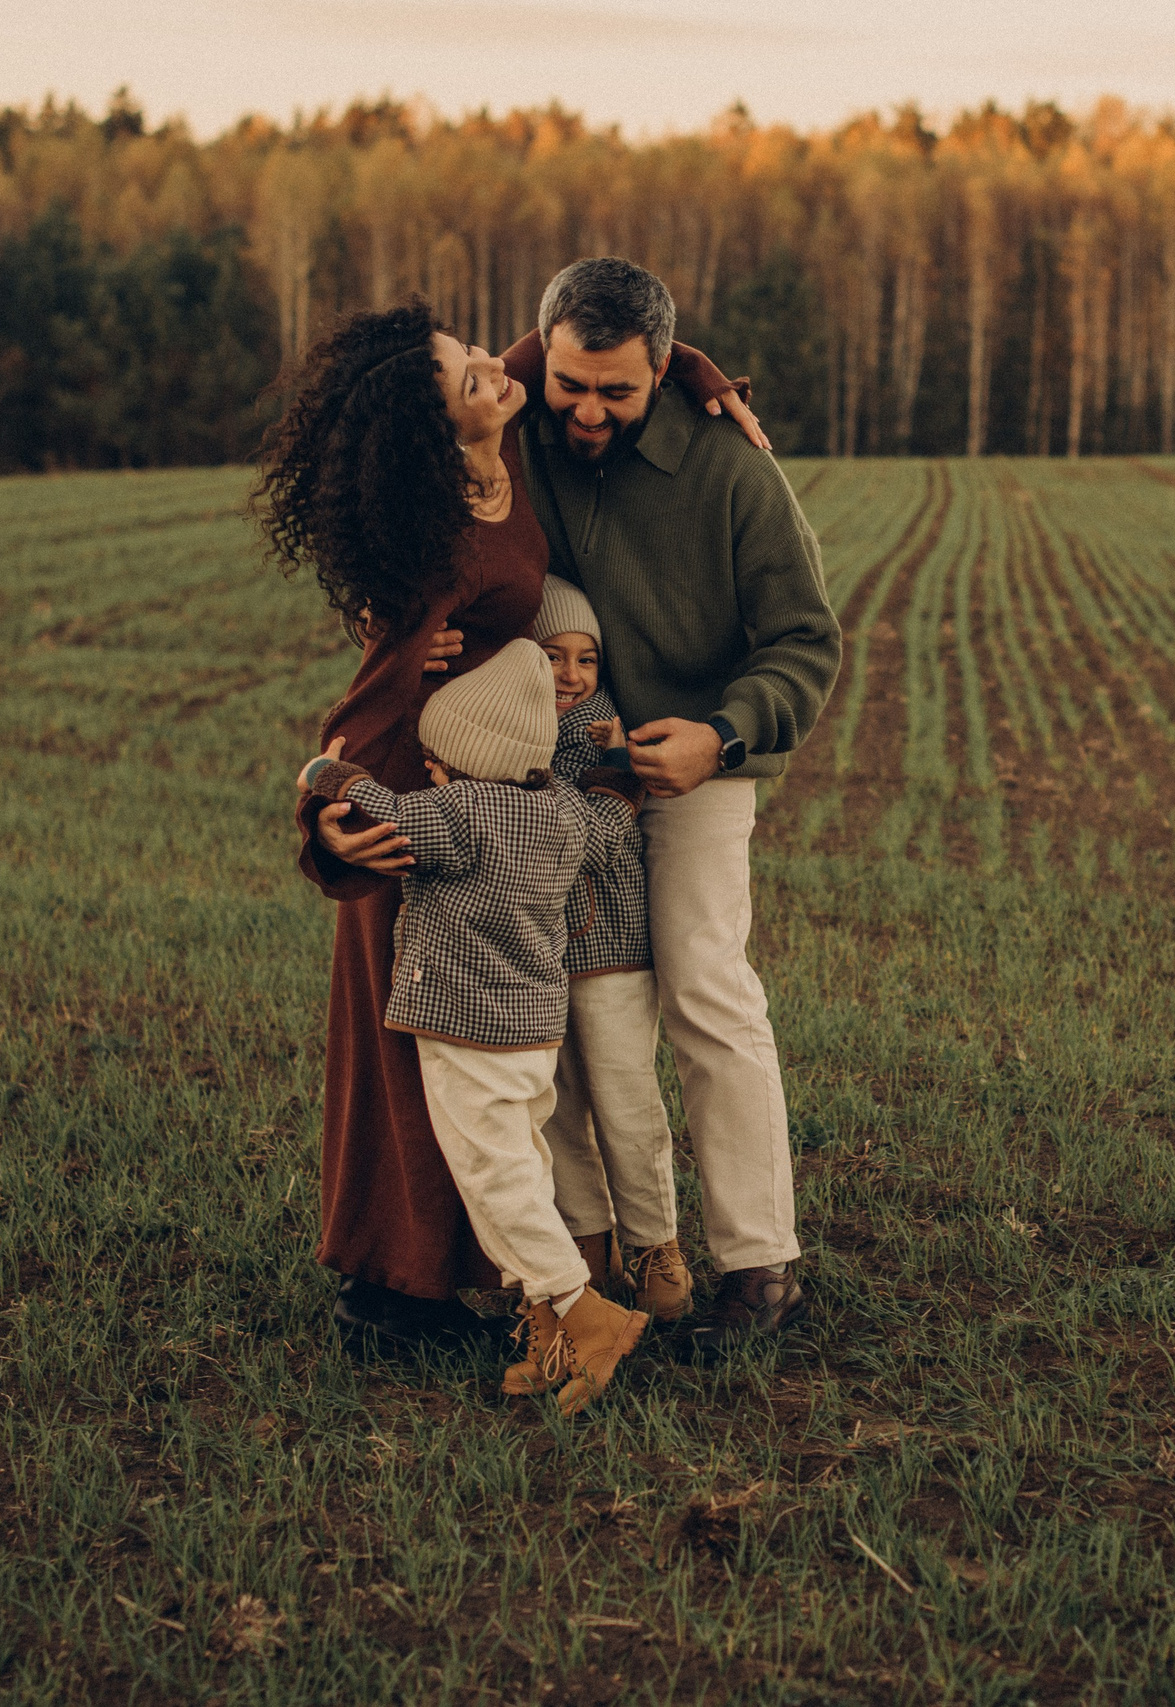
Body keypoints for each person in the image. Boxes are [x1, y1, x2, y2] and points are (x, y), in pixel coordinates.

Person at [251, 295, 758, 1350]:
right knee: (424, 1053)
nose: (494, 364)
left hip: (492, 787)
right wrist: (324, 824)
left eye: (478, 353)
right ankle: (394, 1294)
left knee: (474, 1043)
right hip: (422, 806)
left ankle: (473, 1278)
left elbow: (607, 352)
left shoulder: (503, 426)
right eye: (469, 375)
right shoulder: (436, 542)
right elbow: (370, 700)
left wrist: (700, 374)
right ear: (447, 430)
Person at [512, 257, 843, 1360]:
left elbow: (805, 641)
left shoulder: (734, 472)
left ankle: (759, 1272)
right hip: (558, 770)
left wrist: (722, 736)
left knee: (704, 985)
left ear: (663, 368)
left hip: (699, 761)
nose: (589, 411)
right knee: (547, 1005)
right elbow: (453, 395)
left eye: (618, 388)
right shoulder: (522, 438)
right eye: (569, 383)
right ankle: (589, 1259)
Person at [298, 640, 653, 1413]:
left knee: (495, 1181)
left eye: (435, 755)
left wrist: (324, 773)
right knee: (524, 1162)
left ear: (457, 759)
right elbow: (610, 825)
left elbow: (380, 808)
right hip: (531, 1032)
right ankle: (547, 1327)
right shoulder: (560, 812)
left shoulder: (458, 813)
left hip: (466, 1034)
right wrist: (620, 779)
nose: (426, 766)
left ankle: (586, 1313)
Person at [528, 575, 692, 1324]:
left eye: (586, 658)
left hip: (611, 940)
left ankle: (656, 1242)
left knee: (625, 1095)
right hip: (534, 943)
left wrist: (614, 758)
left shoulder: (602, 730)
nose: (571, 675)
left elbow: (603, 815)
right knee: (557, 1103)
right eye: (552, 656)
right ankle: (587, 1242)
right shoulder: (511, 720)